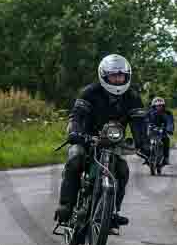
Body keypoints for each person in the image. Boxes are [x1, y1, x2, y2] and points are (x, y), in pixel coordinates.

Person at [54, 54, 147, 227]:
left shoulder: (132, 97)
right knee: (76, 158)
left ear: (127, 76)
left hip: (113, 140)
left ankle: (112, 211)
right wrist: (76, 132)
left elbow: (139, 123)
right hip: (86, 135)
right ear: (104, 75)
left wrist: (144, 144)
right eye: (113, 76)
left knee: (122, 170)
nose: (118, 80)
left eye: (121, 76)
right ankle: (66, 205)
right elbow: (77, 116)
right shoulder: (90, 92)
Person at [146, 97, 174, 166]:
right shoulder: (149, 112)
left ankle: (166, 158)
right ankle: (146, 157)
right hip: (152, 130)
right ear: (154, 106)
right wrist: (145, 127)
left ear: (163, 106)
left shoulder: (167, 113)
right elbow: (144, 121)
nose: (159, 107)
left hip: (162, 130)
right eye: (158, 105)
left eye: (161, 105)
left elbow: (170, 122)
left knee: (166, 140)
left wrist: (169, 129)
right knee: (145, 141)